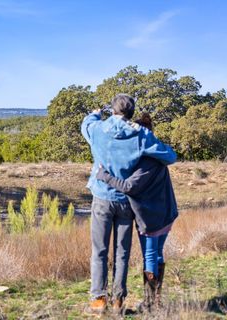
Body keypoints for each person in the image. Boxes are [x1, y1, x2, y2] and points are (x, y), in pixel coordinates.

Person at [81, 94, 177, 315]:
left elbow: (86, 124)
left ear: (113, 111)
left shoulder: (97, 130)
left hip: (102, 198)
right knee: (122, 252)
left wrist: (96, 113)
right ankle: (118, 300)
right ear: (132, 113)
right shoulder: (141, 134)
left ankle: (98, 300)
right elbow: (170, 156)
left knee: (99, 250)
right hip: (126, 202)